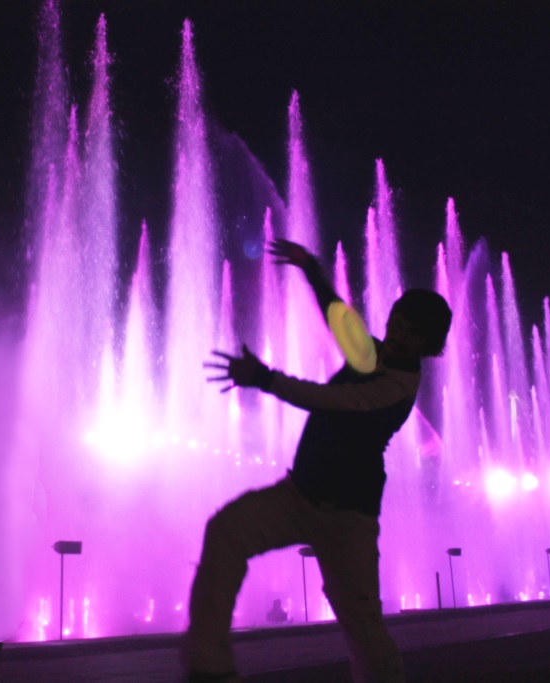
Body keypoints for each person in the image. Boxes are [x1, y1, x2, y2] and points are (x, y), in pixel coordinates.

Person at [181, 238, 452, 683]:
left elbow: (330, 400)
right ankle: (208, 664)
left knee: (363, 627)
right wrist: (311, 269)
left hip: (348, 518)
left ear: (426, 345)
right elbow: (339, 317)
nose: (396, 335)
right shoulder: (372, 354)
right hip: (299, 493)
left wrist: (265, 378)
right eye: (396, 322)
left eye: (408, 333)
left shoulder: (397, 385)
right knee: (226, 531)